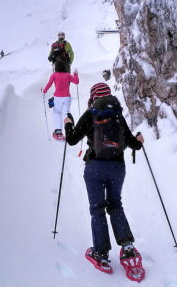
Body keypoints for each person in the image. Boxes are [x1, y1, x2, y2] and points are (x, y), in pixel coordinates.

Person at [63, 83, 144, 271]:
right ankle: (128, 247)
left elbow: (72, 139)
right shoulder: (117, 115)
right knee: (115, 204)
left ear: (93, 98)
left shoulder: (91, 113)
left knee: (97, 209)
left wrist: (68, 124)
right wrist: (139, 140)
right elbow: (133, 144)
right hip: (117, 167)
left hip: (95, 168)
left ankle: (101, 253)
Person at [42, 60, 79, 139]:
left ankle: (58, 132)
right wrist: (75, 74)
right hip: (67, 97)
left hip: (58, 97)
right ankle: (69, 131)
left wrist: (44, 91)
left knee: (57, 113)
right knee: (65, 113)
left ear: (56, 67)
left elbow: (49, 84)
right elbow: (76, 81)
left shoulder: (54, 75)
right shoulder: (67, 75)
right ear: (64, 67)